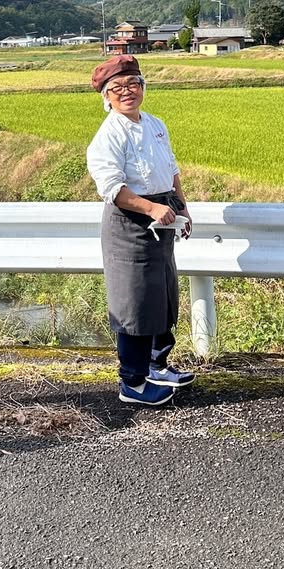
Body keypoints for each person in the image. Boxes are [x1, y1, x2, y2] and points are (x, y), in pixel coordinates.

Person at [86, 54, 194, 407]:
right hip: (129, 223)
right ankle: (132, 381)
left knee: (163, 294)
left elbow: (171, 169)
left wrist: (181, 207)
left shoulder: (155, 124)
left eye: (133, 84)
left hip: (162, 217)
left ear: (143, 87)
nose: (127, 91)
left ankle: (157, 366)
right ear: (106, 97)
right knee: (134, 302)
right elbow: (113, 189)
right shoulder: (108, 135)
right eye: (117, 87)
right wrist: (152, 209)